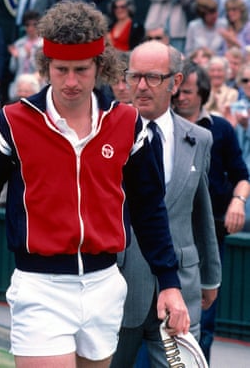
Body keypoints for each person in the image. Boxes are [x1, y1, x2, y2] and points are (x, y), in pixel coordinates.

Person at [0, 0, 189, 367]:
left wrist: (169, 282)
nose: (71, 82)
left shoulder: (127, 123)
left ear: (100, 66)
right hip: (39, 287)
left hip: (105, 286)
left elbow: (149, 209)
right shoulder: (12, 122)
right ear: (46, 66)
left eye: (81, 69)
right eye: (61, 70)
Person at [111, 41, 221, 368]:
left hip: (181, 291)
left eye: (153, 78)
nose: (141, 86)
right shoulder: (106, 135)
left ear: (175, 83)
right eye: (135, 76)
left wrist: (211, 277)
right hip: (119, 286)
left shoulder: (199, 139)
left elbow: (201, 213)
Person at [172, 61, 250, 363]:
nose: (180, 97)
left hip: (210, 235)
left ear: (202, 93)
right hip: (170, 230)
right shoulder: (163, 125)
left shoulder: (221, 129)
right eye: (177, 91)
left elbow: (242, 175)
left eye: (188, 92)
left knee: (204, 322)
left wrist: (238, 202)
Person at [8, 10, 42, 100]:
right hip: (19, 85)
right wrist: (15, 58)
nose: (30, 28)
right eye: (27, 25)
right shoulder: (19, 43)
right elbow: (12, 69)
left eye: (34, 25)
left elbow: (42, 70)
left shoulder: (43, 44)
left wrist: (30, 56)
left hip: (36, 86)